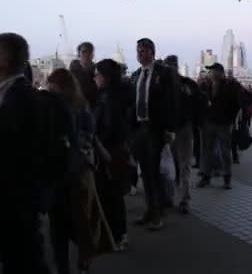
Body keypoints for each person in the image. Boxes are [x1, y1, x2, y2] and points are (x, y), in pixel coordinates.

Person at [0, 33, 50, 274]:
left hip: (15, 209)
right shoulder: (16, 95)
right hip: (15, 207)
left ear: (6, 60)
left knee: (24, 262)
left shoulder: (19, 99)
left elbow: (21, 159)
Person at [46, 68, 115, 274]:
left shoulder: (74, 107)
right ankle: (70, 264)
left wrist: (71, 146)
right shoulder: (76, 105)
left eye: (53, 86)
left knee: (76, 221)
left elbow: (87, 135)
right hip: (68, 172)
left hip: (73, 171)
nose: (50, 90)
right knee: (66, 222)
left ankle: (78, 261)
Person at [130, 38, 178, 231]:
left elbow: (172, 102)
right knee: (145, 173)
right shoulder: (135, 75)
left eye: (142, 51)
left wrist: (170, 129)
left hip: (156, 129)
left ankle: (158, 213)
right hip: (139, 129)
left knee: (155, 172)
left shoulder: (165, 74)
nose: (139, 54)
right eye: (137, 51)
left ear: (151, 52)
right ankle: (149, 209)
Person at [93, 59, 135, 250]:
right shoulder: (121, 94)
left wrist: (97, 140)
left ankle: (115, 236)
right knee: (114, 194)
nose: (95, 78)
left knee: (109, 194)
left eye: (97, 74)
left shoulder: (107, 98)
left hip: (107, 151)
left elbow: (107, 127)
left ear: (105, 77)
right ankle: (118, 235)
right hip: (119, 150)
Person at [164, 55, 203, 214]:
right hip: (180, 128)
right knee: (180, 165)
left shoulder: (167, 85)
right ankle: (181, 199)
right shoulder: (187, 84)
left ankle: (178, 198)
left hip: (176, 129)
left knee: (177, 165)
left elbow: (199, 103)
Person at [197, 63, 242, 190]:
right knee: (207, 151)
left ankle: (227, 178)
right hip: (209, 123)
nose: (210, 73)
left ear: (220, 72)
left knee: (225, 152)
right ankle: (206, 176)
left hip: (224, 124)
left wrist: (231, 117)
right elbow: (200, 100)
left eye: (212, 71)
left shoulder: (231, 85)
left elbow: (240, 101)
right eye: (210, 71)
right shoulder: (207, 85)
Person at [70, 42, 98, 108]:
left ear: (92, 55)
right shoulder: (73, 71)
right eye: (84, 52)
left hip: (92, 105)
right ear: (79, 54)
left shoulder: (97, 71)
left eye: (89, 52)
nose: (87, 54)